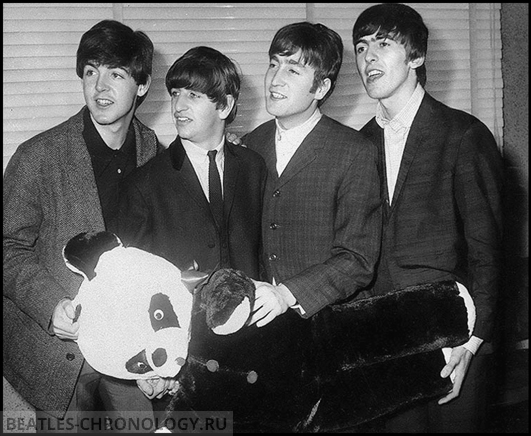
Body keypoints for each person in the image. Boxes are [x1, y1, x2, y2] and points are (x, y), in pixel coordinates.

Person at [3, 19, 162, 432]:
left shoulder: (156, 154)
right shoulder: (38, 155)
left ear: (141, 86)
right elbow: (6, 247)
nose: (100, 86)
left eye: (116, 73)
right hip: (64, 357)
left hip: (131, 347)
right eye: (91, 72)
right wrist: (48, 306)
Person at [352, 3, 504, 432]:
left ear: (416, 56)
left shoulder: (464, 134)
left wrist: (473, 343)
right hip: (385, 346)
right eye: (362, 47)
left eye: (383, 44)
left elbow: (487, 252)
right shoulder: (359, 143)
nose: (368, 58)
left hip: (454, 343)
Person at [241, 21, 382, 327]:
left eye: (293, 70)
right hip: (263, 328)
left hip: (333, 326)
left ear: (321, 87)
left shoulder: (355, 151)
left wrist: (287, 294)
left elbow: (358, 259)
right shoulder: (251, 145)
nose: (275, 80)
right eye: (273, 64)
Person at [111, 45, 266, 281]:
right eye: (175, 93)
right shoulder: (143, 185)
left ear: (224, 105)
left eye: (193, 95)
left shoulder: (254, 168)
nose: (178, 106)